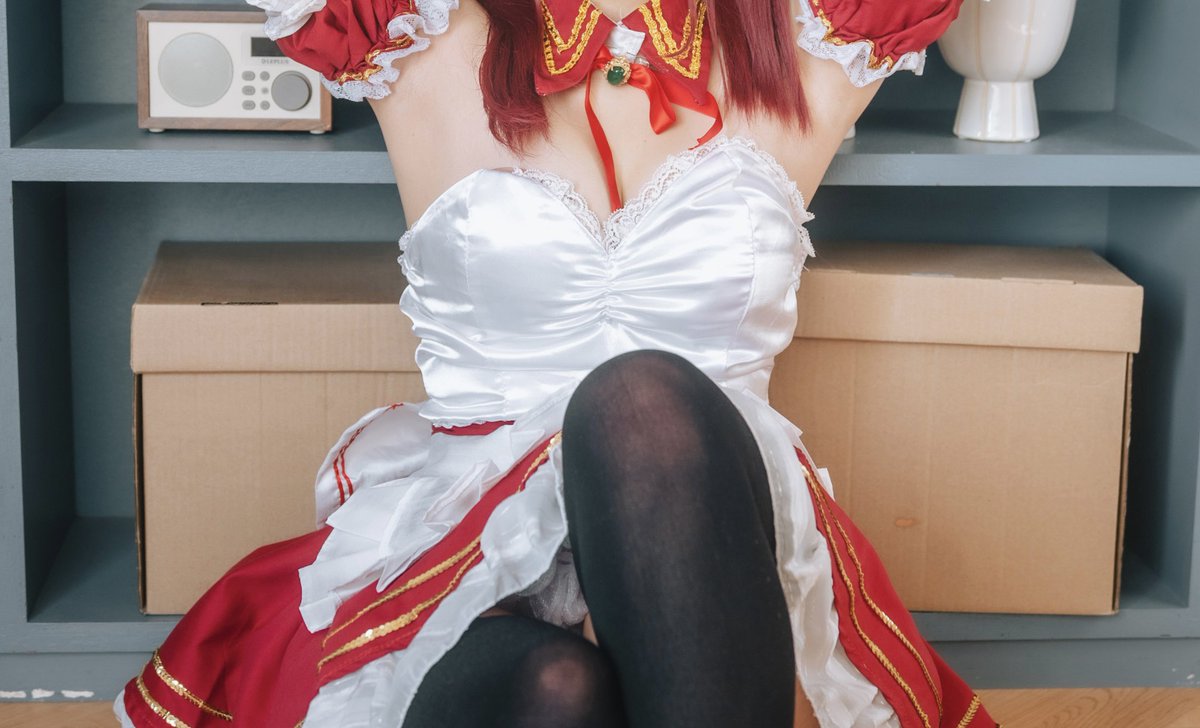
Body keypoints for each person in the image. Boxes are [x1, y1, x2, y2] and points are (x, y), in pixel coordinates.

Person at [114, 0, 999, 726]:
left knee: (641, 400)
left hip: (705, 521)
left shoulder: (813, 46)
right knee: (557, 689)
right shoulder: (419, 37)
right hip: (469, 541)